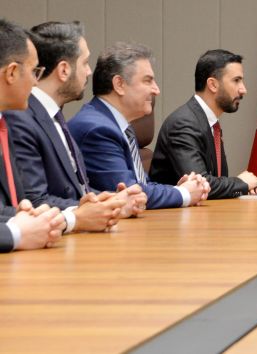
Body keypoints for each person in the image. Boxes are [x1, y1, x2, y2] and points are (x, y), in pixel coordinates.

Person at [5, 22, 147, 234]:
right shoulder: (20, 119)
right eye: (85, 63)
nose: (89, 72)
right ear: (64, 70)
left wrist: (111, 202)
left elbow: (77, 190)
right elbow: (34, 200)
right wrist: (84, 213)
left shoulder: (54, 115)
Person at [68, 42, 210, 209]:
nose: (156, 90)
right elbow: (130, 194)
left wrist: (179, 189)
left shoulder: (119, 126)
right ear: (119, 84)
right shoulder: (98, 129)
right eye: (147, 81)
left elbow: (142, 186)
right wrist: (183, 193)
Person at [150, 49, 257, 198]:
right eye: (236, 80)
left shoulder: (210, 124)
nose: (243, 89)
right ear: (213, 85)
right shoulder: (183, 124)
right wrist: (241, 183)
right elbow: (200, 184)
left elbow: (216, 182)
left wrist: (244, 186)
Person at [0, 19, 65, 251]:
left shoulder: (4, 125)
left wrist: (35, 218)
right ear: (12, 72)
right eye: (34, 71)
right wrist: (16, 233)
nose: (36, 83)